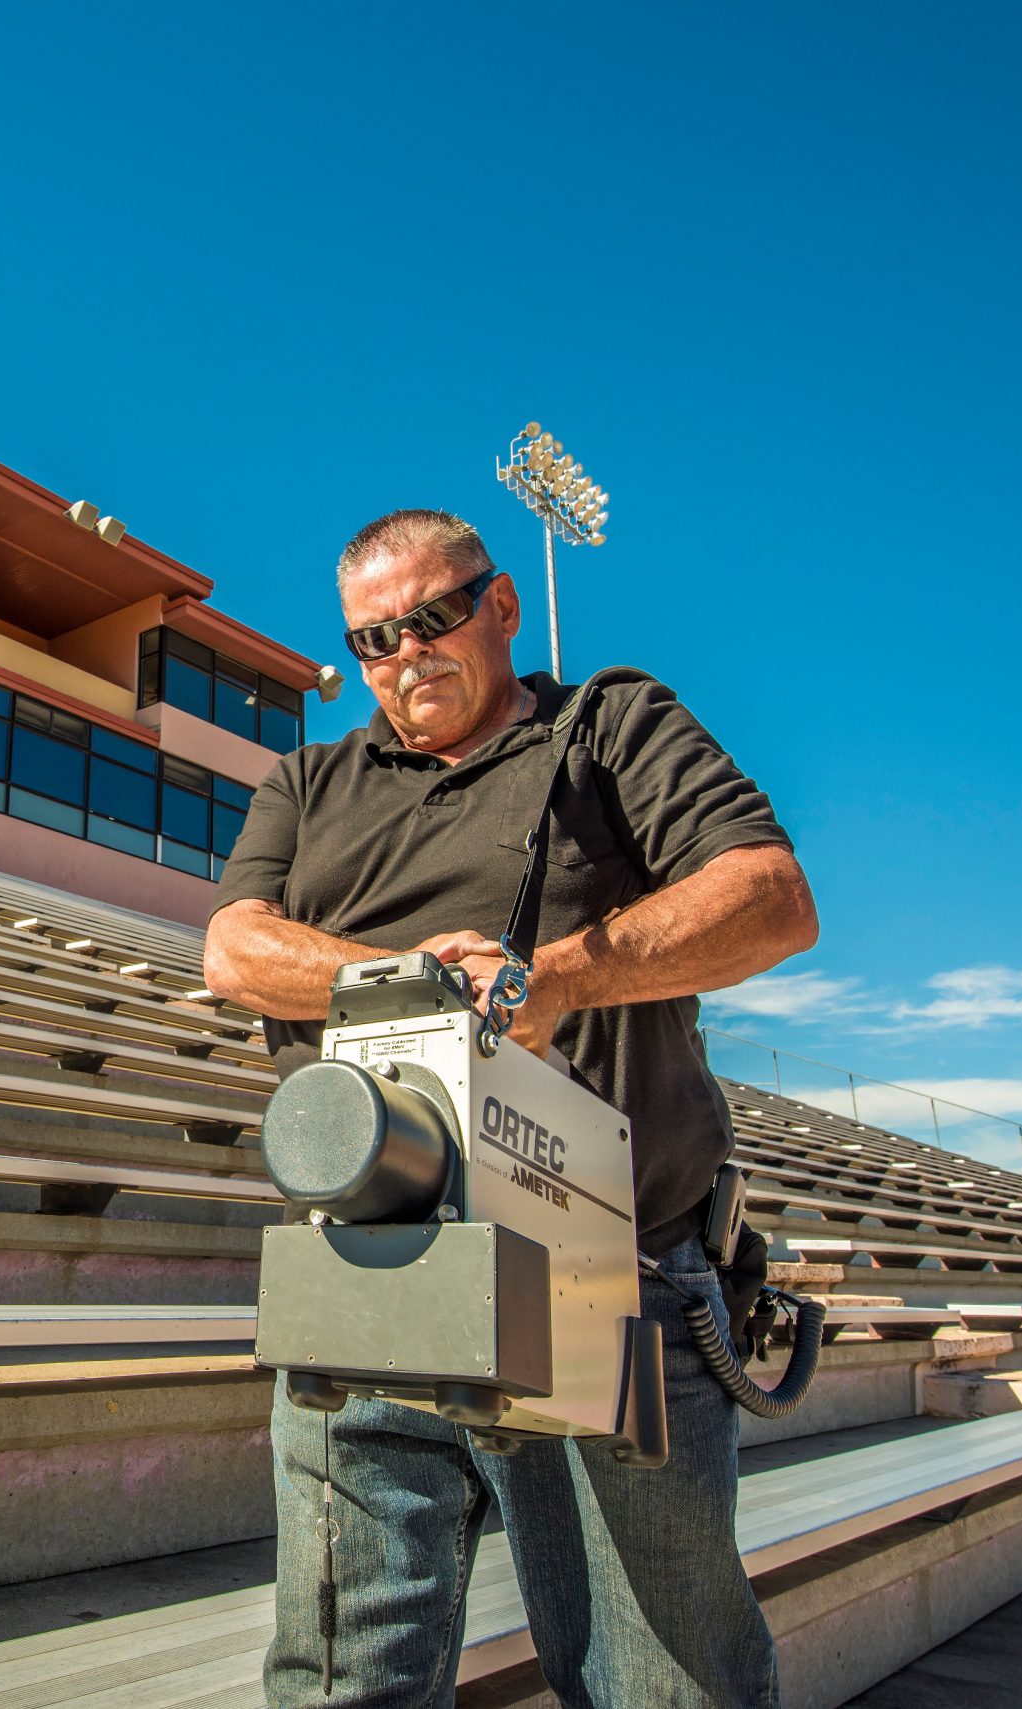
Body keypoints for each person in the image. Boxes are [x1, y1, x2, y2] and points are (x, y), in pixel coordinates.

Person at [204, 508, 820, 1708]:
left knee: (662, 1681)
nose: (406, 654)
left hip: (601, 1268)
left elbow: (770, 896)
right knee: (340, 1680)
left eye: (433, 618)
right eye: (373, 638)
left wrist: (555, 979)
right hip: (372, 1267)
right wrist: (396, 982)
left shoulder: (609, 724)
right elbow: (233, 949)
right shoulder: (310, 778)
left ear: (500, 606)